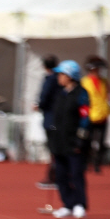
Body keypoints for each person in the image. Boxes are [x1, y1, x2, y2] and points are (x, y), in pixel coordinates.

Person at [50, 60, 90, 219]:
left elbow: (85, 117)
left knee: (76, 173)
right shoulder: (60, 94)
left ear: (70, 76)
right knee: (60, 175)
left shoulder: (81, 94)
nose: (58, 77)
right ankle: (68, 204)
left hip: (73, 141)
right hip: (59, 141)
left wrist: (80, 138)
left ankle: (80, 204)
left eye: (61, 74)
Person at [81, 55, 110, 173]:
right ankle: (86, 162)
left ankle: (97, 163)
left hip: (103, 114)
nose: (97, 71)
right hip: (90, 115)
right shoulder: (84, 82)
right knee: (87, 141)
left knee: (101, 142)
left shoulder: (104, 81)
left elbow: (109, 95)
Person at [35, 54, 61, 189]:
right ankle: (55, 176)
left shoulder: (50, 79)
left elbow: (44, 98)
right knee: (56, 148)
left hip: (51, 119)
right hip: (60, 119)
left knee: (54, 149)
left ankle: (54, 177)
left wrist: (39, 105)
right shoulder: (61, 79)